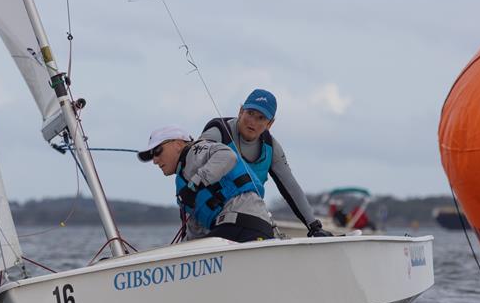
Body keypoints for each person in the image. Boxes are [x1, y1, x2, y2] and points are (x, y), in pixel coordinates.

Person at [198, 88, 333, 237]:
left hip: (243, 217)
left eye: (261, 118)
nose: (253, 122)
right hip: (205, 218)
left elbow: (291, 187)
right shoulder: (218, 133)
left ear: (270, 123)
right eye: (250, 113)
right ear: (240, 111)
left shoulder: (272, 148)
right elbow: (190, 163)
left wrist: (313, 226)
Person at [138, 125, 274, 243]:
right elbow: (195, 234)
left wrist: (194, 185)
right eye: (152, 155)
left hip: (242, 225)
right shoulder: (183, 186)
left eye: (157, 151)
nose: (155, 160)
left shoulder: (197, 150)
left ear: (178, 144)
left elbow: (228, 156)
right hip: (240, 230)